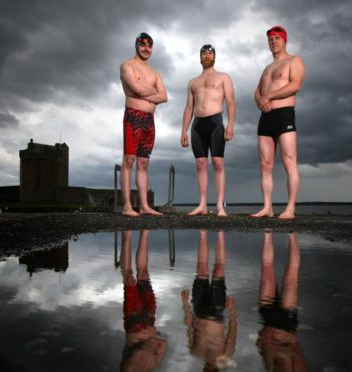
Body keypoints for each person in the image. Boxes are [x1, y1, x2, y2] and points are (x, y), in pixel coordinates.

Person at [251, 25, 305, 219]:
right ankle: (267, 207)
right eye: (270, 39)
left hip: (284, 114)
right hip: (266, 117)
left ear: (284, 40)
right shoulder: (267, 68)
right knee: (265, 164)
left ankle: (290, 208)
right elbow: (257, 92)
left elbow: (295, 85)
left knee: (289, 161)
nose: (273, 42)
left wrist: (269, 96)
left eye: (277, 38)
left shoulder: (294, 60)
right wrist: (260, 101)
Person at [180, 44, 236, 217]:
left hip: (215, 122)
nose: (207, 55)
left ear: (214, 57)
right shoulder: (193, 82)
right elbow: (189, 107)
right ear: (200, 58)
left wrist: (230, 125)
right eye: (204, 53)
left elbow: (231, 102)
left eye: (210, 52)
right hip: (197, 125)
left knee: (218, 163)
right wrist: (184, 131)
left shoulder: (223, 77)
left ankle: (220, 206)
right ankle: (202, 205)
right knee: (200, 164)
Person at [120, 32, 168, 217]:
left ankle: (144, 206)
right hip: (133, 117)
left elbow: (163, 97)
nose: (146, 48)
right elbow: (137, 90)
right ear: (136, 45)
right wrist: (149, 92)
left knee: (144, 163)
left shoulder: (155, 73)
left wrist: (142, 93)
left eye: (149, 45)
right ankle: (126, 206)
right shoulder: (127, 66)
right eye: (143, 44)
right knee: (129, 160)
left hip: (149, 121)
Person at [181, 230, 238, 371]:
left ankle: (203, 233)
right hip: (217, 312)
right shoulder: (225, 356)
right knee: (219, 270)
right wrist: (231, 311)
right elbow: (232, 333)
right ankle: (220, 232)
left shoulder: (194, 352)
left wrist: (185, 304)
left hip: (198, 308)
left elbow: (190, 327)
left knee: (202, 270)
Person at [256, 231, 307, 371]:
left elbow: (259, 342)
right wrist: (280, 349)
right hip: (287, 324)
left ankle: (267, 233)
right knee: (291, 276)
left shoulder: (269, 367)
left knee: (266, 272)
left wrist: (267, 346)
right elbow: (295, 349)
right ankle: (293, 234)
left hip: (268, 322)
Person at [119, 230, 168, 371]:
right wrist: (153, 339)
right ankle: (145, 231)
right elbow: (164, 344)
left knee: (128, 278)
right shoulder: (155, 365)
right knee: (144, 274)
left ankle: (127, 235)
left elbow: (132, 354)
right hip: (149, 316)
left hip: (133, 322)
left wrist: (145, 344)